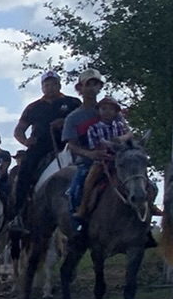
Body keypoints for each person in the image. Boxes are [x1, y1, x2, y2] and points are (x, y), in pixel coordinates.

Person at [11, 71, 79, 221]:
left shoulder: (73, 103)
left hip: (67, 143)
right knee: (24, 171)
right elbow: (19, 130)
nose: (50, 88)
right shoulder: (33, 107)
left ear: (59, 85)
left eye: (53, 84)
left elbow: (82, 123)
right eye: (46, 85)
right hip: (40, 145)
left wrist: (65, 122)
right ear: (42, 87)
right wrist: (25, 141)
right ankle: (18, 213)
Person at [68, 96, 134, 230]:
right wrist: (104, 151)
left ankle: (148, 205)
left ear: (116, 112)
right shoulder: (93, 128)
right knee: (89, 181)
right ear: (99, 111)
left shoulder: (121, 127)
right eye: (104, 109)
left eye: (111, 109)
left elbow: (129, 138)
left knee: (138, 177)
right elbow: (95, 147)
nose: (107, 112)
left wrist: (121, 140)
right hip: (102, 162)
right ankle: (83, 207)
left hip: (120, 162)